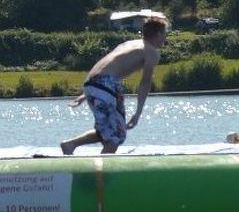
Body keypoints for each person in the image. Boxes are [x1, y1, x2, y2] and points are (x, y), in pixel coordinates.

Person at [62, 15, 167, 155]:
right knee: (116, 136)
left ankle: (70, 144)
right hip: (106, 85)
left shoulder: (128, 44)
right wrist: (138, 113)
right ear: (158, 34)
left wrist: (86, 93)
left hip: (92, 83)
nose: (165, 39)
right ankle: (102, 167)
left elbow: (106, 67)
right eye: (164, 34)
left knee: (108, 130)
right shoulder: (151, 52)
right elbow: (145, 83)